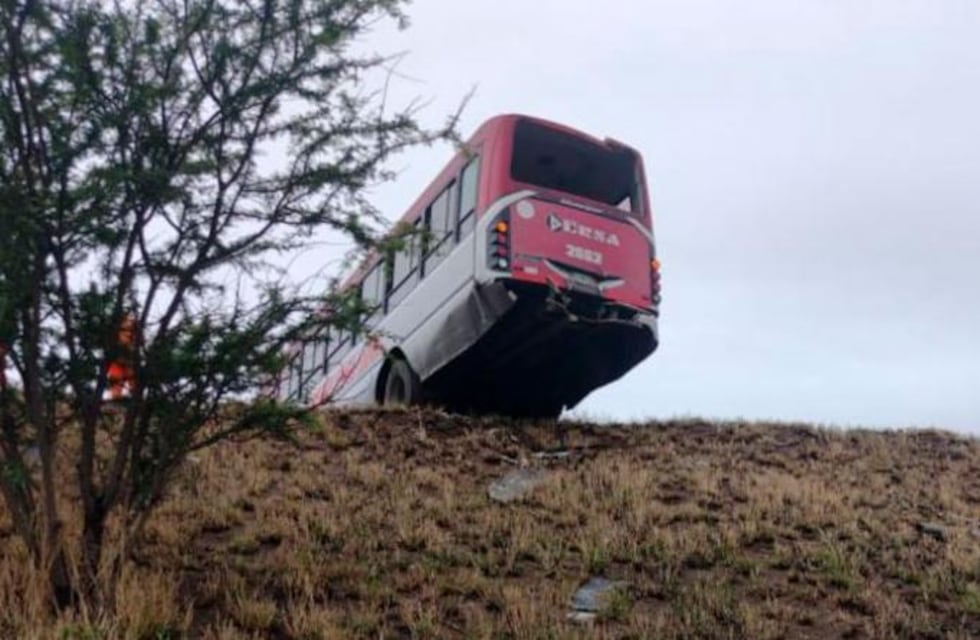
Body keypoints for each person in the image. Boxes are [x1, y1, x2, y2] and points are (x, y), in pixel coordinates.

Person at [107, 315, 137, 400]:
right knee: (116, 381)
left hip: (130, 360)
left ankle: (135, 399)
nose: (128, 333)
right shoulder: (116, 330)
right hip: (117, 360)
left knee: (133, 382)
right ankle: (116, 398)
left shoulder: (134, 331)